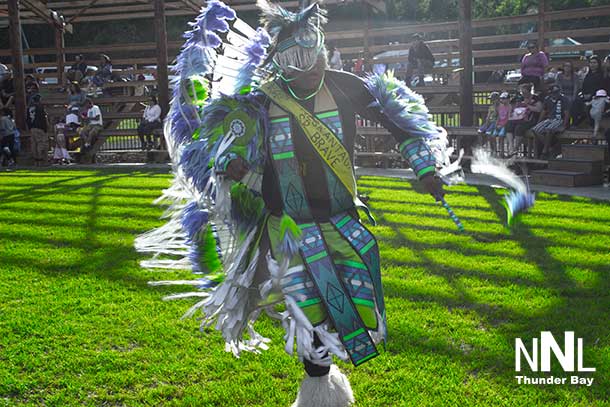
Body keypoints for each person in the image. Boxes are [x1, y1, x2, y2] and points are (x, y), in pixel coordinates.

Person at [136, 2, 453, 406]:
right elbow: (216, 149)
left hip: (343, 224)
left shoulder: (347, 87)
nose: (311, 67)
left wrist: (425, 169)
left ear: (324, 48)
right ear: (279, 63)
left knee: (348, 314)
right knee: (308, 315)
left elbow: (402, 124)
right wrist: (229, 164)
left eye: (315, 53)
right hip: (288, 229)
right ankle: (318, 390)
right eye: (297, 59)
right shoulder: (260, 104)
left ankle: (326, 387)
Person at [532, 84, 569, 158]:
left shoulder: (564, 99)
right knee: (535, 129)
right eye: (552, 93)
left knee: (549, 129)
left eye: (556, 93)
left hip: (559, 119)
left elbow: (567, 113)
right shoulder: (547, 99)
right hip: (549, 119)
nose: (554, 94)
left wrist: (564, 125)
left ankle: (545, 150)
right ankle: (550, 147)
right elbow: (544, 111)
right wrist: (538, 122)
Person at [506, 82, 543, 156]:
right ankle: (511, 147)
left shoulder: (535, 98)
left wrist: (528, 105)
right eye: (522, 92)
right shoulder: (520, 98)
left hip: (531, 119)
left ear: (529, 91)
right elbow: (512, 105)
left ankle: (516, 149)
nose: (523, 94)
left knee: (519, 128)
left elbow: (539, 109)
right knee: (508, 125)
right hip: (519, 117)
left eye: (525, 92)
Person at [572, 55, 610, 126]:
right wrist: (584, 94)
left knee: (590, 105)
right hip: (586, 96)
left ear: (598, 64)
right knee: (575, 102)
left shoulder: (603, 75)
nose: (592, 64)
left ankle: (592, 124)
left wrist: (592, 95)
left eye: (594, 63)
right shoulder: (588, 75)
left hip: (598, 97)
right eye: (591, 63)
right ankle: (574, 123)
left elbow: (603, 89)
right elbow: (584, 87)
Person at [26, 94, 49, 166]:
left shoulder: (29, 108)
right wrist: (46, 127)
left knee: (34, 144)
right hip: (40, 127)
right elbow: (44, 118)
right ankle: (41, 160)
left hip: (32, 127)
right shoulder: (40, 107)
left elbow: (27, 119)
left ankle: (36, 162)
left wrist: (29, 127)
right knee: (41, 143)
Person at [492, 92, 512, 156]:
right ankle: (495, 151)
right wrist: (496, 124)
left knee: (501, 136)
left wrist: (502, 125)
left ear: (508, 99)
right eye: (501, 98)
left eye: (504, 98)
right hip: (499, 124)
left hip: (505, 124)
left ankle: (502, 152)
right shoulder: (500, 107)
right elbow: (499, 116)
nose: (502, 100)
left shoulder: (509, 107)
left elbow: (508, 118)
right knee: (493, 136)